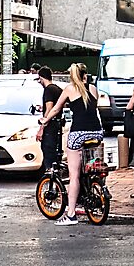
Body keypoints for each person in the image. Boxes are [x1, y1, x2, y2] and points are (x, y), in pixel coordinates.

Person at [50, 63, 104, 226]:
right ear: (85, 75)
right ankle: (92, 182)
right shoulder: (93, 88)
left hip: (78, 133)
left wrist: (45, 120)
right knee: (90, 164)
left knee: (74, 175)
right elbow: (90, 107)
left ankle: (71, 214)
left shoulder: (69, 89)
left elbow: (55, 109)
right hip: (97, 132)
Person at [33, 67, 64, 171]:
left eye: (39, 80)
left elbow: (50, 109)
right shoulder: (57, 89)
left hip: (50, 126)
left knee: (48, 152)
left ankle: (49, 175)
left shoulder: (48, 90)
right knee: (55, 153)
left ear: (41, 78)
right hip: (57, 125)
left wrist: (41, 128)